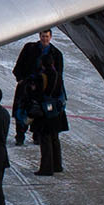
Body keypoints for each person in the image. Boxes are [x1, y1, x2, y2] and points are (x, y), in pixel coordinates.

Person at [17, 29, 68, 175]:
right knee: (54, 138)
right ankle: (57, 165)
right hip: (56, 111)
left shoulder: (41, 78)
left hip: (45, 111)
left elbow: (36, 93)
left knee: (45, 140)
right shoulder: (57, 76)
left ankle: (46, 168)